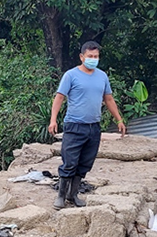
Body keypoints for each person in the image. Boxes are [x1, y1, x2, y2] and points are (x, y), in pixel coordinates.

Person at [48, 41, 126, 210]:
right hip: (74, 125)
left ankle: (73, 194)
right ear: (82, 57)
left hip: (94, 127)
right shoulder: (71, 75)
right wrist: (53, 120)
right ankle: (60, 196)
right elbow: (59, 97)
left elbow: (109, 99)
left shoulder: (102, 76)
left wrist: (119, 120)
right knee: (69, 162)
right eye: (90, 56)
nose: (93, 59)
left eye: (96, 56)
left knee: (85, 163)